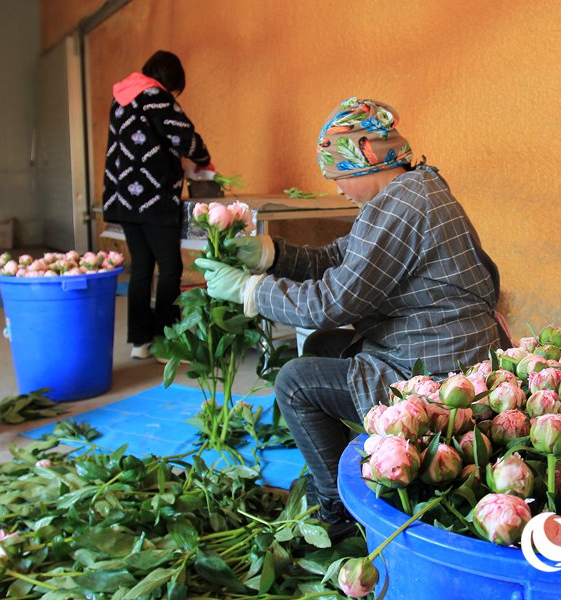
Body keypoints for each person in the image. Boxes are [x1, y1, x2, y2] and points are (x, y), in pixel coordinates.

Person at [197, 97, 509, 536]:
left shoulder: (404, 207)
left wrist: (250, 290)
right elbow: (340, 258)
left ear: (365, 164)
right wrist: (272, 254)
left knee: (295, 381)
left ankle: (338, 511)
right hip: (432, 342)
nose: (337, 189)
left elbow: (332, 303)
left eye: (339, 177)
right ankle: (359, 460)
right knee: (325, 347)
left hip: (442, 369)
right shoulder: (410, 190)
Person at [102, 50, 215, 359]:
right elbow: (184, 136)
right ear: (170, 80)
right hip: (153, 199)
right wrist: (204, 161)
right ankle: (168, 341)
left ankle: (141, 343)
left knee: (140, 268)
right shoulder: (155, 95)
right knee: (169, 267)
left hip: (123, 198)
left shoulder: (121, 98)